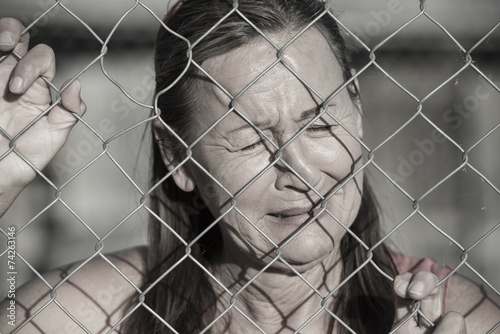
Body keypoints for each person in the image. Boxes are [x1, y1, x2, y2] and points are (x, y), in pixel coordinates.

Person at [0, 0, 499, 333]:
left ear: (358, 112)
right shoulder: (97, 313)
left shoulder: (453, 318)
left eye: (320, 125)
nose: (299, 171)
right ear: (180, 158)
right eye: (251, 141)